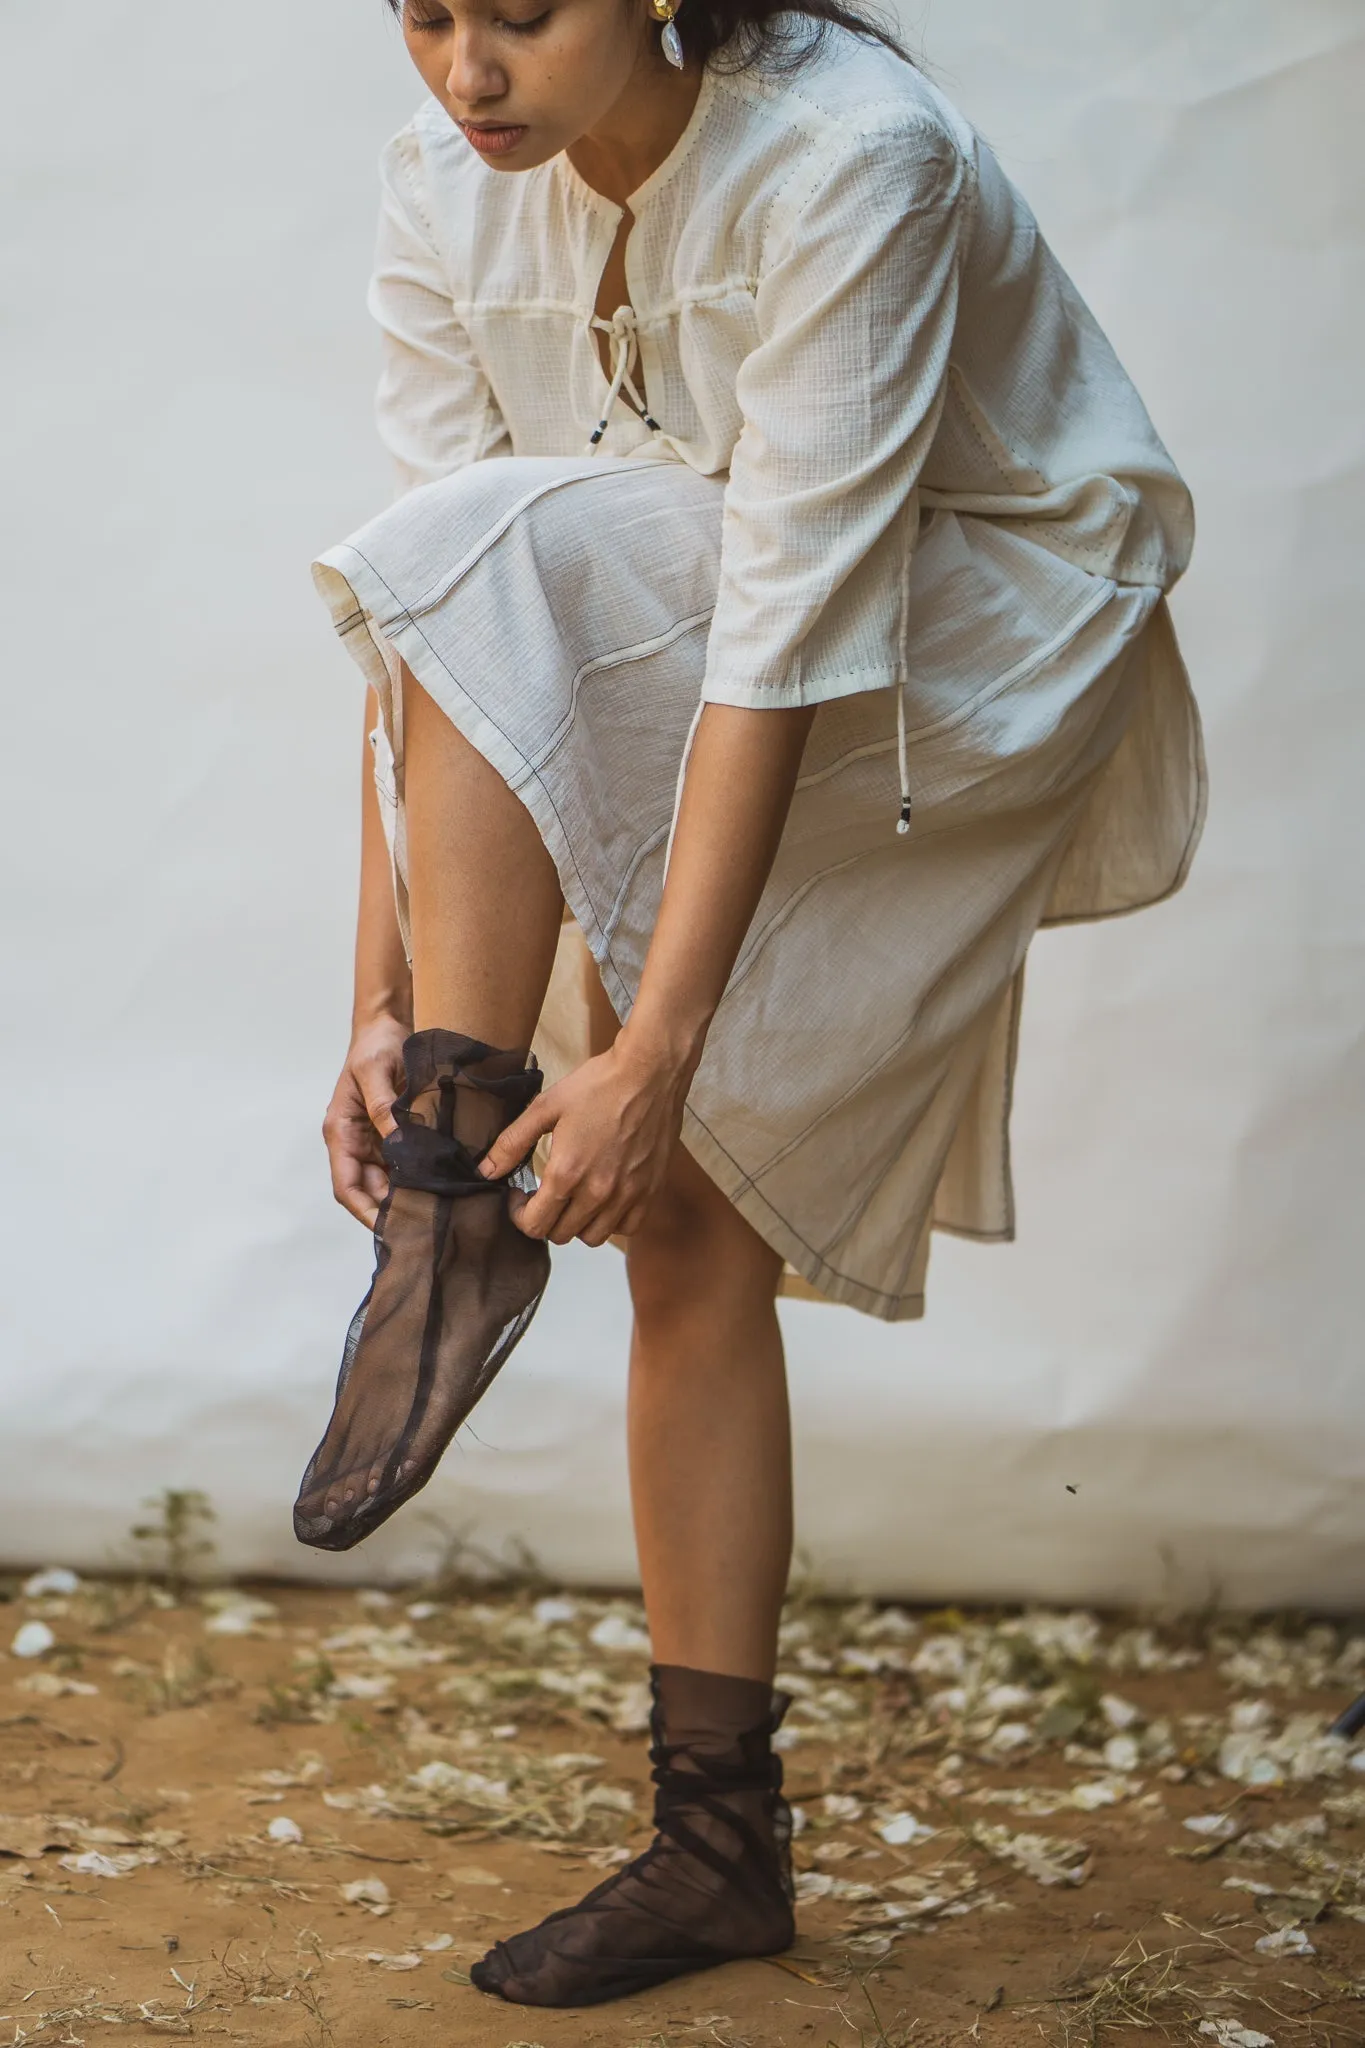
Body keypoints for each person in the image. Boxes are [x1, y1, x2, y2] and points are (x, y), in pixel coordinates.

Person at [294, 0, 1205, 2008]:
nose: (465, 70)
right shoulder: (444, 183)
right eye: (423, 13)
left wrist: (652, 1045)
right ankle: (718, 1848)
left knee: (659, 1119)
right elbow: (432, 630)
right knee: (682, 1211)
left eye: (518, 12)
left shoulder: (849, 155)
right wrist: (370, 999)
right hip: (677, 614)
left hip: (964, 636)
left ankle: (459, 1184)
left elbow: (788, 620)